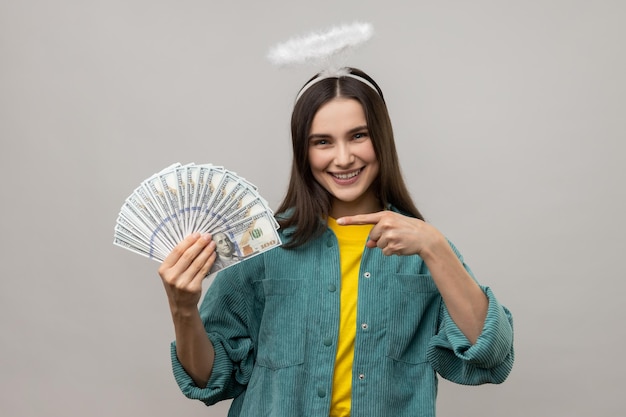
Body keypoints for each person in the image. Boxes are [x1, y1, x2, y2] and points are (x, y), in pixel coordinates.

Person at [158, 67, 514, 417]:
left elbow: (491, 357)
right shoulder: (262, 244)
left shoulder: (424, 250)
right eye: (323, 142)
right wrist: (183, 308)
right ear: (304, 151)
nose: (343, 158)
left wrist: (436, 247)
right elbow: (208, 379)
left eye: (358, 136)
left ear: (382, 139)